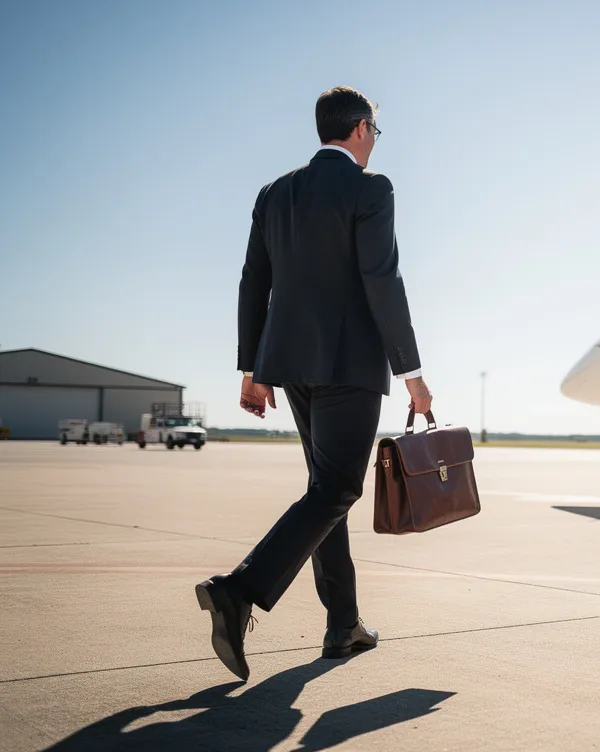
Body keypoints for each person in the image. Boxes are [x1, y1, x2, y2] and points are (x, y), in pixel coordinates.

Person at [195, 86, 433, 682]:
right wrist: (413, 374)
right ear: (357, 129)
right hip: (349, 364)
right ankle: (239, 588)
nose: (376, 141)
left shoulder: (274, 192)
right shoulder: (370, 189)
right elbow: (383, 279)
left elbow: (254, 280)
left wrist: (252, 368)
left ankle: (343, 624)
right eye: (375, 130)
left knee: (327, 489)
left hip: (289, 363)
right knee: (333, 491)